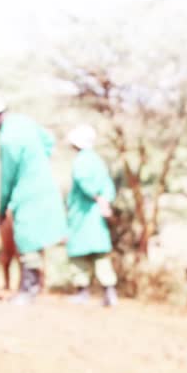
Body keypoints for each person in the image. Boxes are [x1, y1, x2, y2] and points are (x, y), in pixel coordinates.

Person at [0, 95, 67, 305]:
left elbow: (7, 178)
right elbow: (49, 141)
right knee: (34, 239)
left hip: (27, 193)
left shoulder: (7, 139)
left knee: (25, 239)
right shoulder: (24, 122)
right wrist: (38, 162)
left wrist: (2, 209)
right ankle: (32, 286)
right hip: (44, 186)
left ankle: (28, 289)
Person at [65, 124, 119, 307]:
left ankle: (83, 292)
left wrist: (96, 197)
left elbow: (84, 182)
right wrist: (105, 201)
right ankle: (109, 292)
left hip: (83, 214)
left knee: (78, 254)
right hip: (96, 214)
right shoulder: (98, 161)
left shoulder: (82, 161)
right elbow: (108, 186)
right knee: (100, 255)